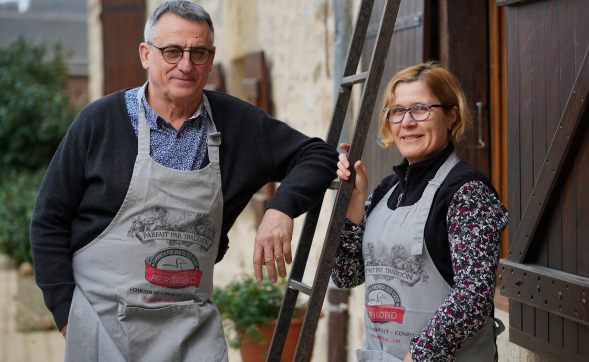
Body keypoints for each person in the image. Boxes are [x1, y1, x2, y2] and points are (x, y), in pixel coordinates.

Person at [30, 1, 338, 360]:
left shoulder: (237, 123)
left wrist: (282, 207)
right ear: (146, 54)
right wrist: (68, 316)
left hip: (190, 330)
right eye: (172, 51)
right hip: (102, 328)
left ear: (212, 57)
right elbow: (48, 221)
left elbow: (320, 155)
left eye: (199, 53)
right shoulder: (99, 122)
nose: (186, 65)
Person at [332, 61, 508, 362]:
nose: (407, 122)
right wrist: (355, 204)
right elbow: (346, 276)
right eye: (397, 111)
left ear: (452, 115)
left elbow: (474, 296)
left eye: (420, 109)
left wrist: (419, 355)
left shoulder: (468, 192)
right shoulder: (385, 190)